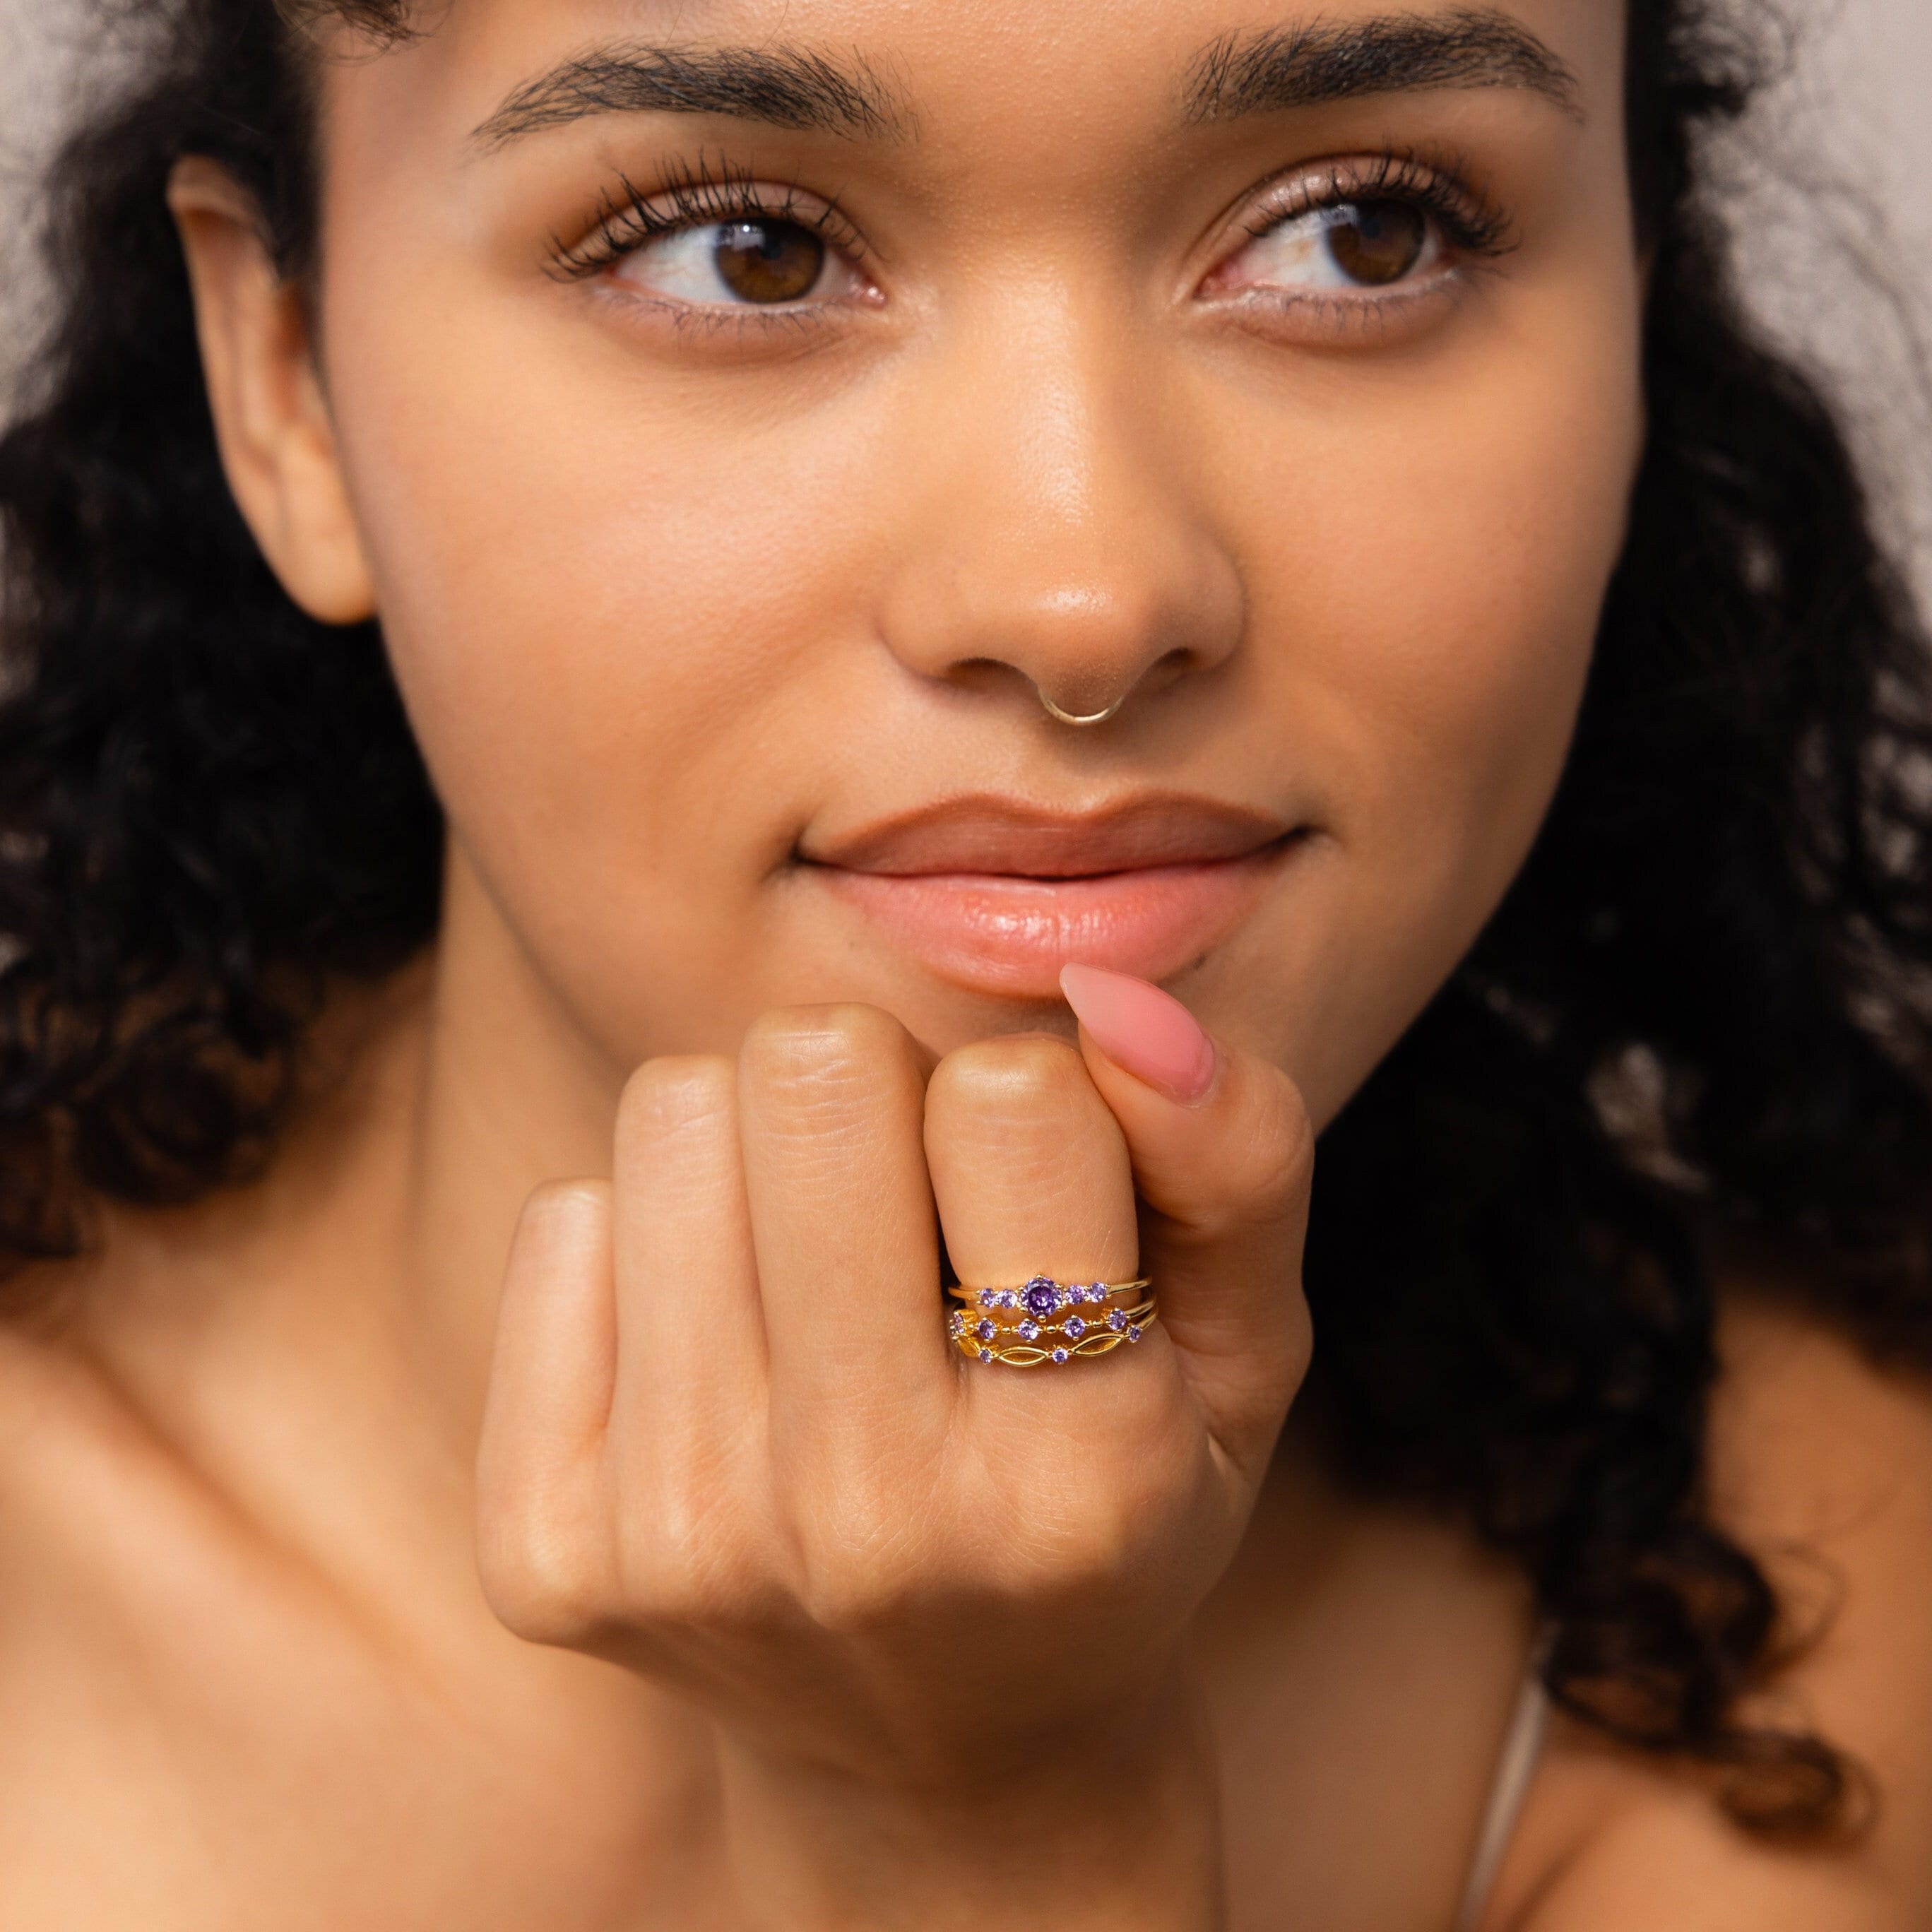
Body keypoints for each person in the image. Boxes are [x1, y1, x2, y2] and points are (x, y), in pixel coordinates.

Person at [0, 0, 1928, 1924]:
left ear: (1637, 315)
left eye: (1368, 232)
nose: (1080, 597)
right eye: (745, 252)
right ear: (286, 382)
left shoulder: (1813, 1594)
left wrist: (989, 1827)